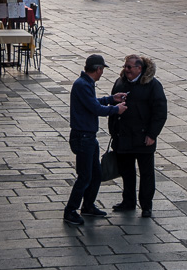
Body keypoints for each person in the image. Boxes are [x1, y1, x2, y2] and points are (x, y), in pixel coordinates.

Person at [63, 54, 127, 227]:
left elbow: (92, 102)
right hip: (83, 137)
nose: (102, 74)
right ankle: (70, 210)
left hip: (88, 137)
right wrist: (115, 109)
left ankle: (88, 205)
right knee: (85, 176)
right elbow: (95, 108)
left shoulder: (85, 83)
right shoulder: (82, 85)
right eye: (102, 70)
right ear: (98, 69)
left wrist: (111, 99)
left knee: (96, 174)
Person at [108, 54, 167, 218]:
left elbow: (160, 112)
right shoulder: (120, 83)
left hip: (143, 138)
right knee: (126, 172)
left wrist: (152, 134)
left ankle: (146, 205)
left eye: (129, 67)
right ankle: (128, 201)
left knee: (146, 174)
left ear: (139, 69)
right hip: (124, 136)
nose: (126, 70)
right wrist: (114, 131)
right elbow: (113, 108)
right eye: (125, 66)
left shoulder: (153, 85)